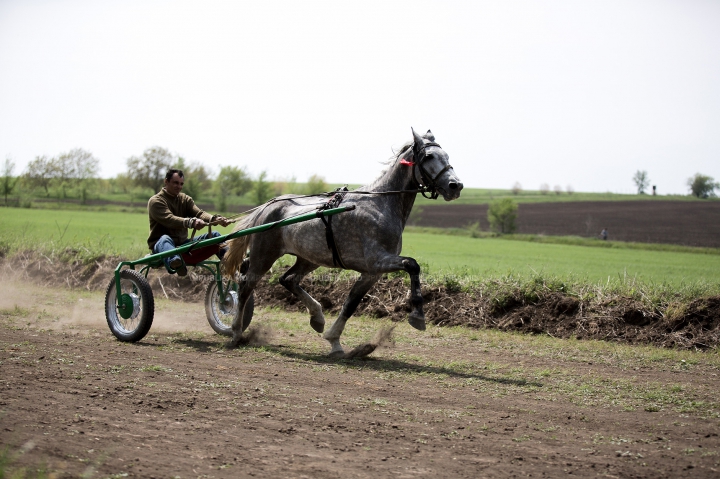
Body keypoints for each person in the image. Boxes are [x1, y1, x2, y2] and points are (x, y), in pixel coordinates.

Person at [147, 169, 230, 276]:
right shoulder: (156, 201)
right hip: (161, 246)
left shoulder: (185, 199)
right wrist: (190, 222)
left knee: (215, 236)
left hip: (183, 244)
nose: (179, 186)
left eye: (181, 184)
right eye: (175, 183)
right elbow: (169, 219)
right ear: (166, 181)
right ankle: (177, 263)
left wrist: (214, 219)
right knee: (165, 238)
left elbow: (199, 213)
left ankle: (234, 261)